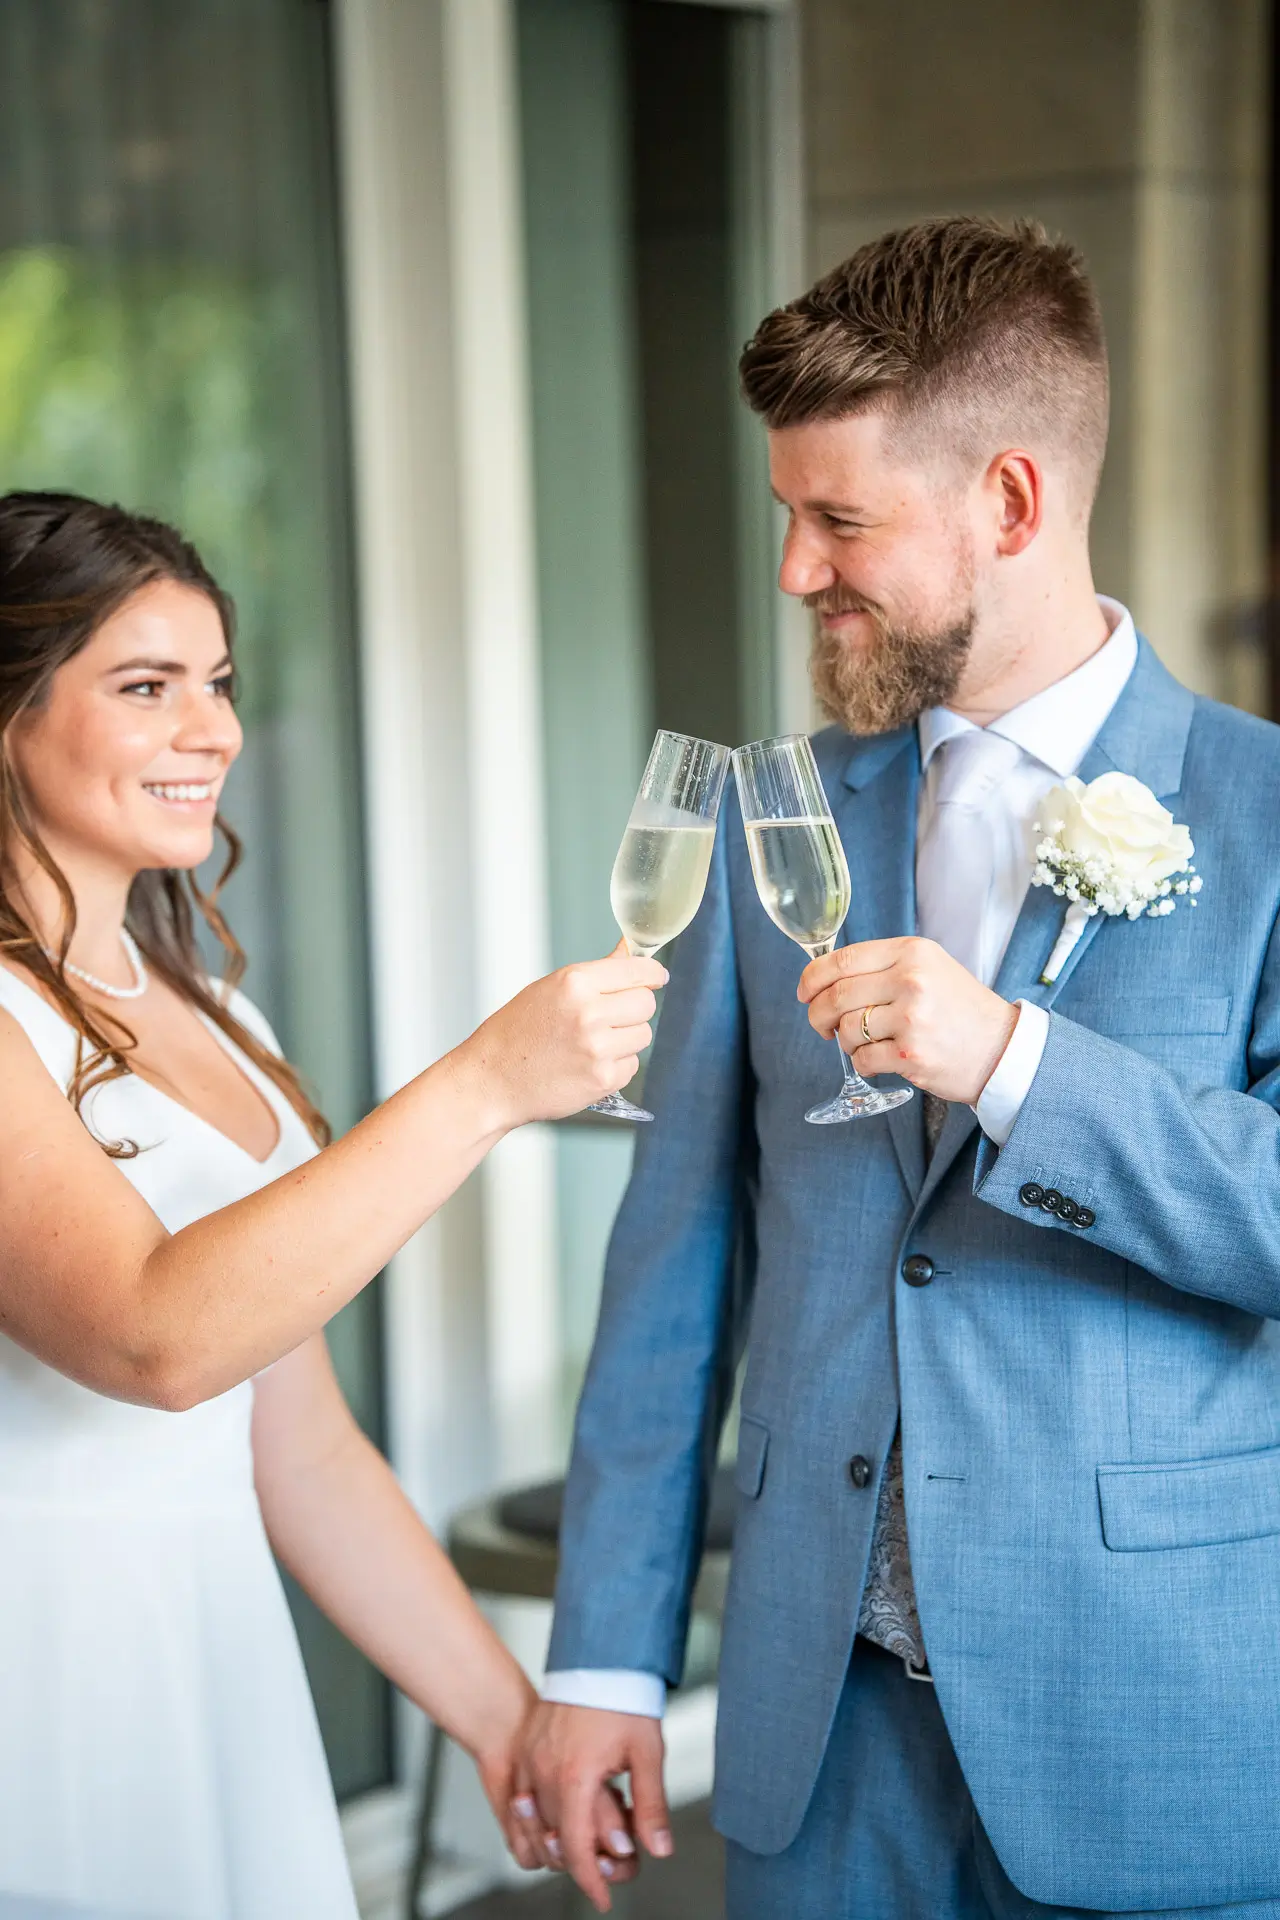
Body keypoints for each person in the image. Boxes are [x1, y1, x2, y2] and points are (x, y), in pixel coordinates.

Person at [517, 217, 1280, 1919]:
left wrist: (1014, 1061)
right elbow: (677, 1263)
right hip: (817, 1740)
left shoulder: (1268, 813)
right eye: (790, 514)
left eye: (839, 520)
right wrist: (607, 1666)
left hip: (1157, 1718)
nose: (795, 570)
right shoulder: (763, 813)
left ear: (1010, 503)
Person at [0, 490, 663, 1918]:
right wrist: (484, 1085)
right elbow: (150, 1340)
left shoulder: (212, 1013)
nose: (216, 732)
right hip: (47, 1685)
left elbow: (295, 1449)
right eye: (146, 686)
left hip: (218, 1660)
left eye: (220, 684)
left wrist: (506, 1720)